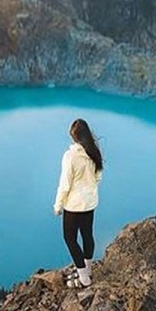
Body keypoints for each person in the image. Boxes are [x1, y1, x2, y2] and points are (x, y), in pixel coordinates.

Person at [53, 118, 103, 288]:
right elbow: (98, 177)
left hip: (74, 205)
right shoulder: (93, 152)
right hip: (90, 203)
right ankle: (87, 269)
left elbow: (65, 184)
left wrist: (58, 205)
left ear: (74, 137)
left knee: (70, 238)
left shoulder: (70, 156)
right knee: (87, 235)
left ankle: (83, 278)